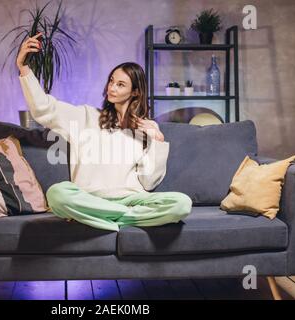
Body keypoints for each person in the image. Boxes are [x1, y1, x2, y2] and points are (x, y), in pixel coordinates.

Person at [16, 32, 192, 232]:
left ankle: (102, 218)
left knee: (182, 203)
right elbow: (43, 108)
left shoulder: (148, 128)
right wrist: (23, 68)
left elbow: (149, 182)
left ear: (135, 92)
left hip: (132, 199)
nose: (112, 87)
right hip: (90, 197)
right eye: (111, 81)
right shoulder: (85, 116)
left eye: (120, 84)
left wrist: (157, 141)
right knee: (57, 194)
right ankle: (120, 217)